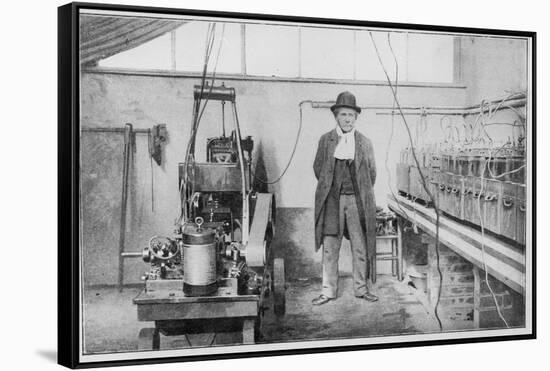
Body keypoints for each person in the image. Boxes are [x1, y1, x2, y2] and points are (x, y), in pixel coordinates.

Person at [312, 91, 378, 305]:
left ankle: (361, 289)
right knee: (330, 247)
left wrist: (359, 193)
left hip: (357, 202)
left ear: (356, 117)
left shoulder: (365, 143)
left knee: (360, 247)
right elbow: (318, 169)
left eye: (351, 115)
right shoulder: (326, 140)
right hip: (332, 201)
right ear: (336, 117)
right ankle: (328, 291)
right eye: (343, 115)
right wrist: (332, 189)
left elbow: (372, 173)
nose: (347, 119)